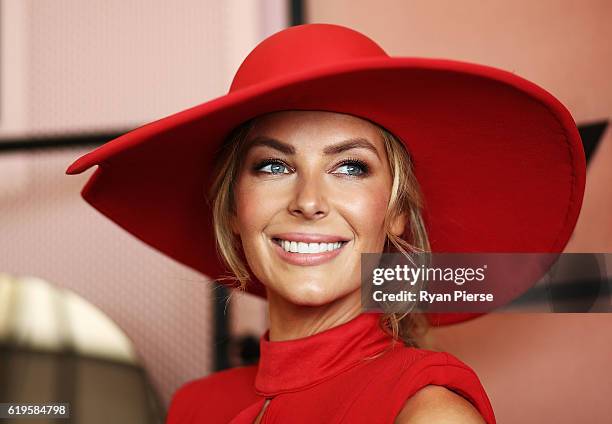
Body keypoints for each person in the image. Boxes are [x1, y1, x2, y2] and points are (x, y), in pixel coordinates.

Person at [67, 23, 586, 423]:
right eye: (273, 166)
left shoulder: (426, 411)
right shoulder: (194, 406)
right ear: (232, 206)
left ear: (398, 213)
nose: (310, 201)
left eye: (350, 167)